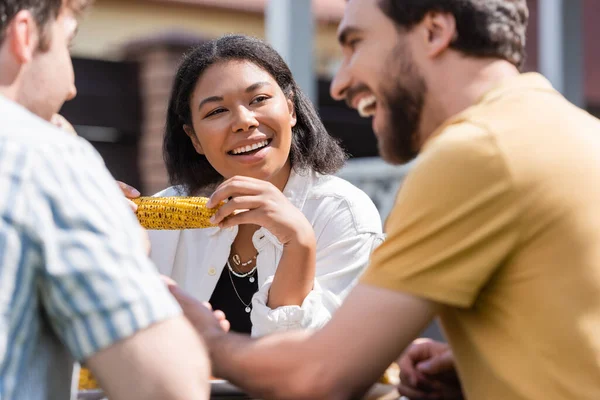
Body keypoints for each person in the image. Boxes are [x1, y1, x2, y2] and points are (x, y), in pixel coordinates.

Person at [164, 0, 600, 399]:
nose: (340, 83)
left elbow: (320, 376)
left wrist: (206, 340)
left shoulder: (475, 155)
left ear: (433, 32)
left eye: (356, 44)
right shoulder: (573, 132)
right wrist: (475, 368)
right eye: (216, 110)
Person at [0, 1, 211, 399]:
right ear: (24, 36)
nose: (72, 87)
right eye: (67, 45)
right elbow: (167, 386)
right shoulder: (45, 157)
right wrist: (126, 244)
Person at [138, 34, 383, 336]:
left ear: (291, 109)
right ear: (194, 139)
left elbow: (316, 358)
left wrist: (299, 241)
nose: (244, 121)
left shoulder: (343, 214)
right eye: (216, 111)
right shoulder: (162, 229)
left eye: (259, 99)